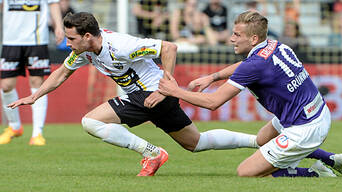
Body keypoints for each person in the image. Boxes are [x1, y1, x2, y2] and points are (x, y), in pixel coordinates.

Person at [8, 12, 260, 177]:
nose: (67, 43)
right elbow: (62, 73)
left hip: (152, 93)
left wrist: (166, 86)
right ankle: (261, 142)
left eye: (71, 38)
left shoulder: (120, 46)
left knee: (90, 121)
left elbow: (169, 48)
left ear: (87, 36)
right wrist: (35, 96)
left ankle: (152, 152)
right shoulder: (83, 51)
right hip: (152, 97)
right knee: (196, 143)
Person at [158, 10, 342, 177]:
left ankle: (315, 173)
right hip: (314, 111)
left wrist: (176, 91)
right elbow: (245, 66)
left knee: (246, 171)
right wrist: (213, 77)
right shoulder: (275, 45)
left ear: (253, 39)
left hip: (305, 127)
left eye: (237, 35)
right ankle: (331, 159)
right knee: (262, 139)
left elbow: (213, 102)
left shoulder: (254, 65)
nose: (231, 39)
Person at [0, 0, 65, 145]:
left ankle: (37, 133)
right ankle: (14, 126)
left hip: (36, 39)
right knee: (6, 85)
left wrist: (58, 26)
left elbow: (53, 3)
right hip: (10, 40)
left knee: (37, 83)